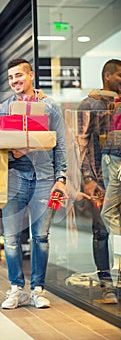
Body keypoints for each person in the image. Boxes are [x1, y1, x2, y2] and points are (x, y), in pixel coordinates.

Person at [0, 58, 67, 309]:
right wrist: (13, 152)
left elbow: (61, 146)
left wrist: (62, 178)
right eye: (11, 77)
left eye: (19, 75)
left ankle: (38, 289)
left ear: (31, 75)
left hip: (44, 179)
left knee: (41, 237)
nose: (15, 81)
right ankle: (16, 288)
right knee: (11, 237)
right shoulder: (2, 110)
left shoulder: (50, 107)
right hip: (14, 179)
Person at [77, 59, 121, 304]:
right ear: (107, 76)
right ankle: (106, 285)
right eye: (120, 76)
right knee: (102, 231)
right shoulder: (90, 104)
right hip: (100, 178)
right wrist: (88, 179)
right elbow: (81, 144)